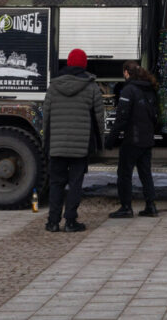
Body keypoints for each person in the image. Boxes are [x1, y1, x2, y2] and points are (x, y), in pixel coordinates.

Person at [43, 48, 104, 232]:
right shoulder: (91, 86)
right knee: (75, 184)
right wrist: (101, 141)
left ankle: (53, 222)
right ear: (84, 64)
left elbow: (46, 116)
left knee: (56, 183)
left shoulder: (53, 86)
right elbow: (99, 117)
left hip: (57, 145)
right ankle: (70, 221)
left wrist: (47, 141)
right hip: (80, 147)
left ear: (68, 63)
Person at [106, 61, 159, 219]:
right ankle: (151, 206)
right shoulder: (149, 88)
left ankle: (126, 207)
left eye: (124, 72)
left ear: (127, 73)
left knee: (124, 174)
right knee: (145, 174)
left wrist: (110, 140)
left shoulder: (128, 90)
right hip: (147, 139)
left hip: (132, 139)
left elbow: (121, 118)